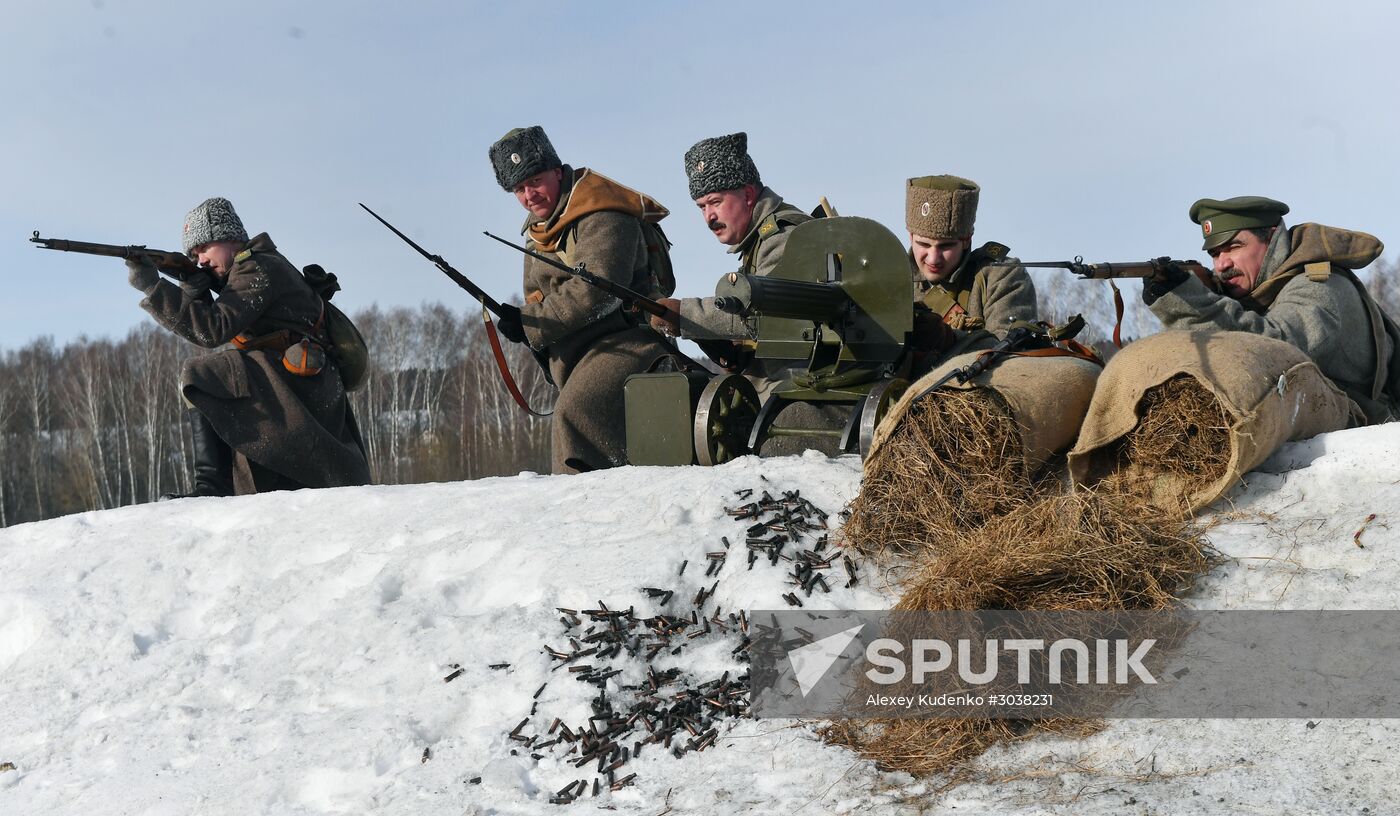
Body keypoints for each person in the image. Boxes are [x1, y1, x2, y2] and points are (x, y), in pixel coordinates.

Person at [125, 197, 370, 496]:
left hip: (303, 383)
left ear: (229, 238)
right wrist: (194, 291)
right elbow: (217, 323)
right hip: (297, 382)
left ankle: (211, 487)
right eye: (193, 254)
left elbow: (213, 330)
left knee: (202, 375)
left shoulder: (257, 267)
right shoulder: (251, 267)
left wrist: (154, 288)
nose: (200, 259)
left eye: (203, 248)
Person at [488, 125, 678, 473]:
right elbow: (538, 295)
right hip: (580, 356)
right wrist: (524, 321)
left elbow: (599, 289)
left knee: (574, 414)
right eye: (518, 189)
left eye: (534, 181)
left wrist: (531, 324)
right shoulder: (537, 233)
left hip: (629, 345)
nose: (529, 194)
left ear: (558, 172)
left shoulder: (603, 212)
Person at [1143, 195, 1400, 424]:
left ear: (1273, 239)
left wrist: (1192, 303)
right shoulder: (1258, 293)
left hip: (1369, 430)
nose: (1221, 264)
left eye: (1234, 247)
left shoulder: (1320, 284)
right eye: (1215, 253)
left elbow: (1278, 348)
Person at [650, 131, 813, 395]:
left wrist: (684, 315)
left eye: (715, 202)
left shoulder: (782, 237)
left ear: (748, 195)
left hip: (798, 383)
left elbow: (766, 315)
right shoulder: (757, 242)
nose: (708, 218)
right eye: (701, 207)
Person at [906, 174, 1038, 336]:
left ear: (966, 240)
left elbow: (1007, 349)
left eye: (945, 246)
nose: (933, 258)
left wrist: (948, 339)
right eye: (924, 244)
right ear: (911, 237)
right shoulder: (888, 280)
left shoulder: (1001, 277)